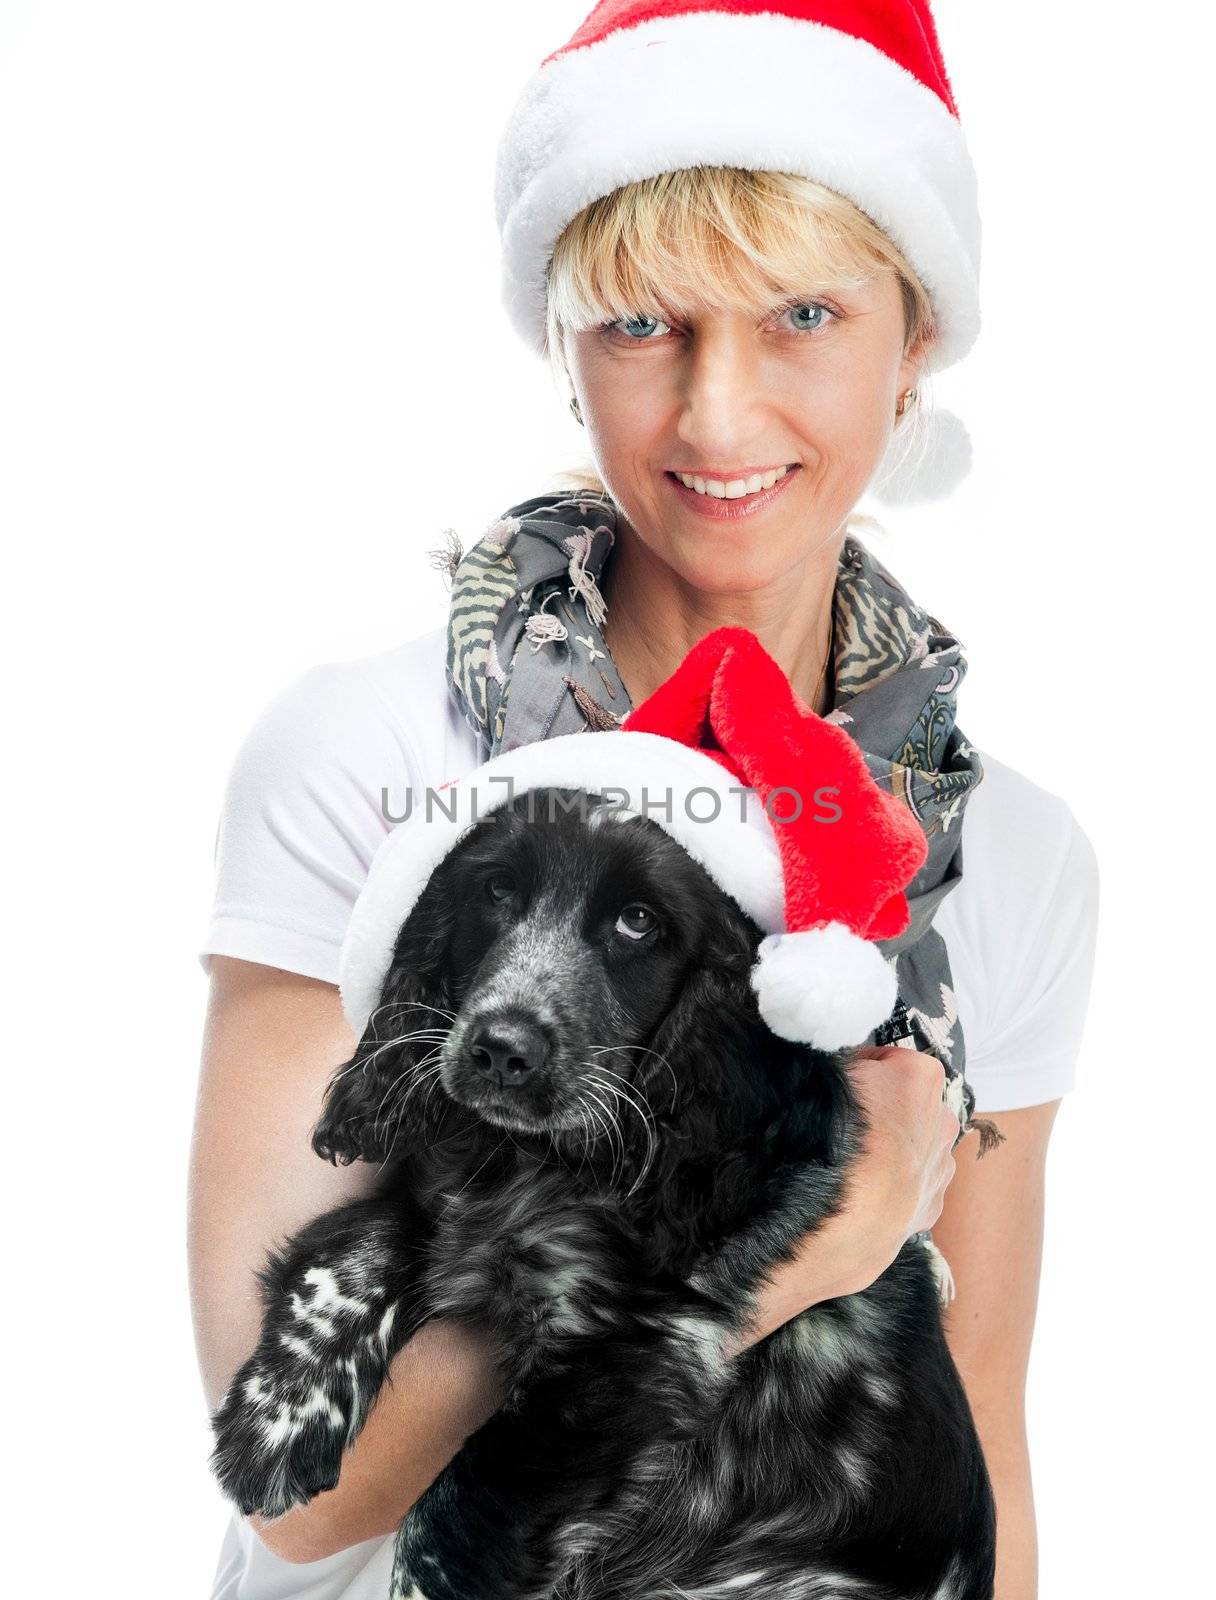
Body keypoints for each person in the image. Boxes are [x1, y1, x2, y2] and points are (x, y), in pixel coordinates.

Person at [188, 4, 1101, 1598]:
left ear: (918, 342)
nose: (718, 416)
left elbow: (989, 1441)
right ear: (562, 345)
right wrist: (813, 1239)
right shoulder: (367, 755)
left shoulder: (1011, 858)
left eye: (805, 313)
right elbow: (304, 1504)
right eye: (641, 326)